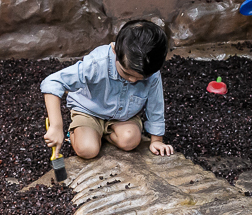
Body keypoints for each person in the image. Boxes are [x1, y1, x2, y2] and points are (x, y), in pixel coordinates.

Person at [41, 20, 173, 160]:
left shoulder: (152, 74)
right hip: (89, 111)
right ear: (115, 51)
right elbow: (53, 82)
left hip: (123, 117)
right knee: (87, 150)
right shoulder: (97, 62)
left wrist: (157, 140)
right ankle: (78, 133)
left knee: (130, 140)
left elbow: (155, 105)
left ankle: (101, 134)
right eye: (127, 74)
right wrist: (56, 126)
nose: (133, 80)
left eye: (140, 78)